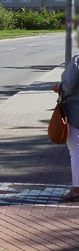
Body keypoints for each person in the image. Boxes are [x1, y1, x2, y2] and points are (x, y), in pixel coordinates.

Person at [55, 54, 79, 202]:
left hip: (75, 111)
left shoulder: (77, 60)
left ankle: (77, 189)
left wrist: (58, 88)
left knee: (75, 149)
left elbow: (69, 86)